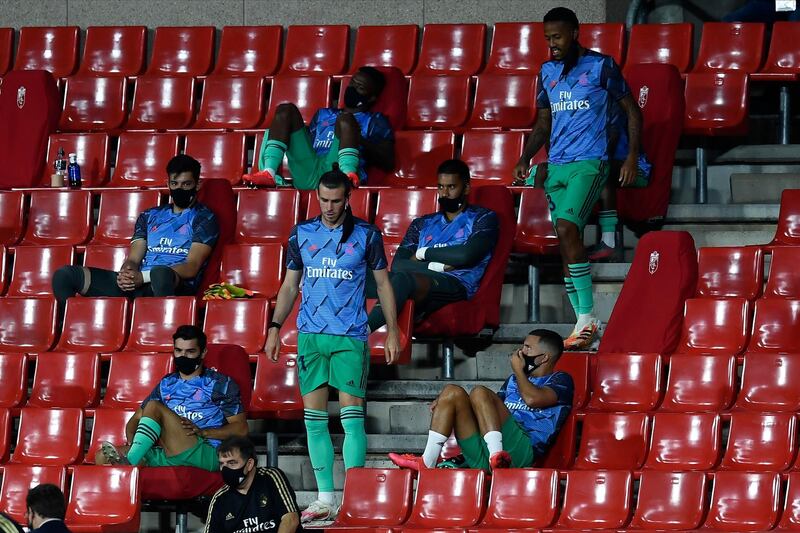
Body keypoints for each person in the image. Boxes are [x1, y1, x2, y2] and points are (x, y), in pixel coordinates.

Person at [266, 166, 401, 523]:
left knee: (351, 420)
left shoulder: (367, 236)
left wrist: (392, 330)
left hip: (349, 336)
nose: (329, 206)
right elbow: (290, 286)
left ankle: (354, 498)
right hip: (310, 336)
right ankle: (326, 498)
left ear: (348, 198)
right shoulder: (302, 233)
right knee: (314, 421)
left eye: (336, 200)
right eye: (324, 200)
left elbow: (384, 285)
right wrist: (275, 327)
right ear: (317, 197)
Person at [512, 6, 643, 350]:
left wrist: (629, 157)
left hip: (590, 163)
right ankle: (581, 323)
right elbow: (543, 122)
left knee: (570, 227)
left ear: (574, 33)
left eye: (556, 37)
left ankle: (588, 317)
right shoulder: (547, 71)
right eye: (546, 38)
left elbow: (632, 109)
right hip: (557, 165)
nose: (551, 44)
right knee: (564, 244)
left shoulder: (602, 66)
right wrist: (526, 156)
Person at [51, 154, 219, 314]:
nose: (179, 189)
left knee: (160, 273)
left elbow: (191, 267)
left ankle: (161, 329)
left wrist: (143, 277)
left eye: (186, 184)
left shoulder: (205, 218)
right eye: (174, 184)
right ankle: (74, 324)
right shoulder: (149, 216)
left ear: (197, 185)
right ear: (168, 183)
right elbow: (133, 259)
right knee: (65, 275)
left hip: (172, 283)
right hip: (139, 283)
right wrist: (127, 274)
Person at [389, 329, 573, 471]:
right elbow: (489, 412)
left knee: (479, 392)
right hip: (486, 450)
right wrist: (448, 402)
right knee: (451, 391)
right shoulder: (513, 381)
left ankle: (498, 458)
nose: (520, 352)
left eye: (527, 348)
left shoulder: (561, 380)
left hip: (523, 451)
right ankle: (427, 461)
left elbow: (533, 399)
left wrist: (517, 370)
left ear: (544, 358)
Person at [365, 159, 499, 331]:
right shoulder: (422, 223)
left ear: (465, 188)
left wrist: (422, 254)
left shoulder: (483, 218)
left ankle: (360, 336)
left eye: (451, 187)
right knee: (360, 275)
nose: (444, 193)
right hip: (420, 280)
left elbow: (465, 255)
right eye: (441, 187)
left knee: (403, 280)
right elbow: (399, 264)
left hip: (457, 283)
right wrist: (440, 266)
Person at [97, 325, 248, 471]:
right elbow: (136, 419)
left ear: (202, 353)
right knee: (101, 457)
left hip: (204, 450)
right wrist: (134, 444)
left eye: (190, 351)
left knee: (154, 406)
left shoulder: (220, 383)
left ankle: (130, 462)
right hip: (168, 451)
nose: (183, 356)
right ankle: (132, 458)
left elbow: (241, 428)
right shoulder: (166, 383)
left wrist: (204, 432)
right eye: (178, 351)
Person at [248, 66, 395, 189]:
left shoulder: (375, 120)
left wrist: (355, 138)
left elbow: (388, 161)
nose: (353, 88)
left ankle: (347, 178)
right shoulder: (324, 114)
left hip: (337, 171)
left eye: (360, 87)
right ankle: (269, 172)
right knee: (285, 110)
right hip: (310, 168)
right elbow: (305, 143)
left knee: (345, 120)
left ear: (371, 97)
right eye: (352, 83)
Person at [205, 436, 301, 533]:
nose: (225, 469)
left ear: (249, 464)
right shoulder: (220, 498)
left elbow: (290, 520)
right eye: (222, 464)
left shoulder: (270, 478)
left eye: (232, 463)